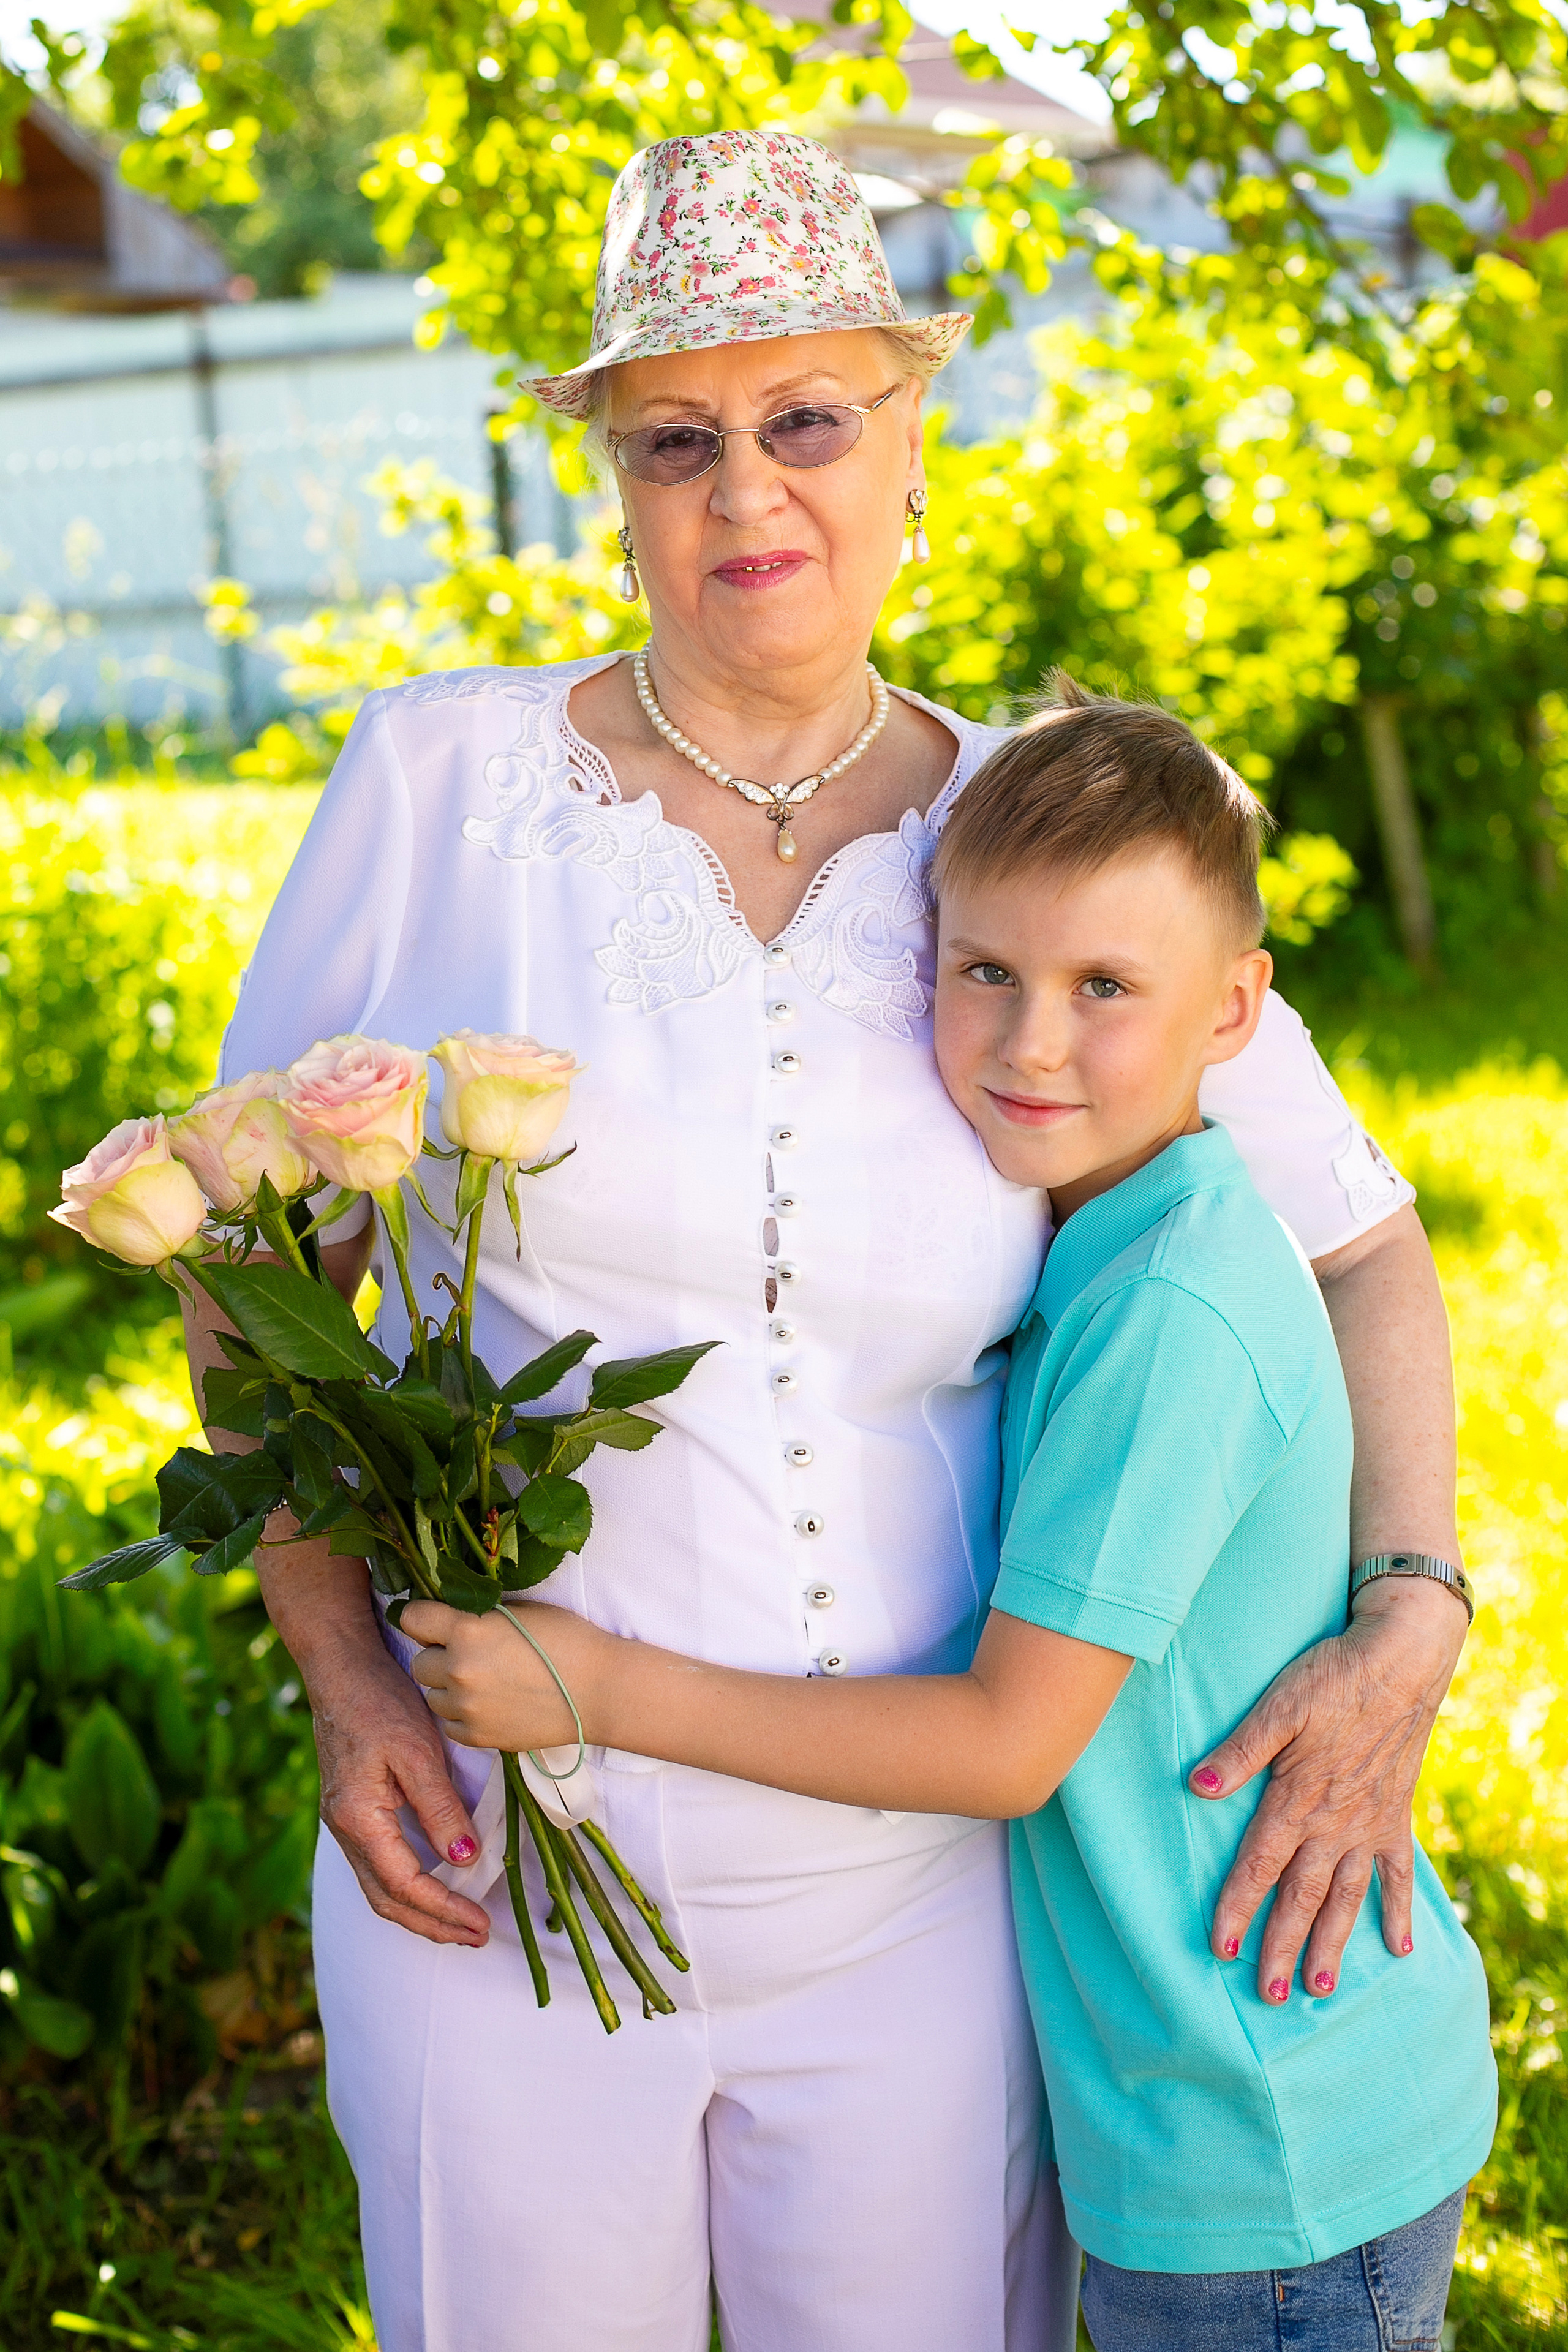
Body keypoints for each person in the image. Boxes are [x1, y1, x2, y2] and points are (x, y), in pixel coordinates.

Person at [185, 128, 1474, 2352]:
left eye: (807, 422)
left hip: (924, 1900)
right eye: (676, 439)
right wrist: (338, 1668)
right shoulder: (445, 786)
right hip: (504, 1861)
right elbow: (244, 1264)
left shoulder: (1043, 849)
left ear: (906, 438)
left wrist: (1409, 1624)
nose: (747, 495)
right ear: (606, 469)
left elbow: (1354, 1246)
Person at [408, 682, 1494, 2351]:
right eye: (985, 971)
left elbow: (1007, 1747)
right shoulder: (1116, 1243)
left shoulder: (1173, 1315)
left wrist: (600, 1694)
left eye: (1105, 989)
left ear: (1236, 1014)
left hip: (1261, 2134)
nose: (1030, 1042)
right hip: (1213, 2099)